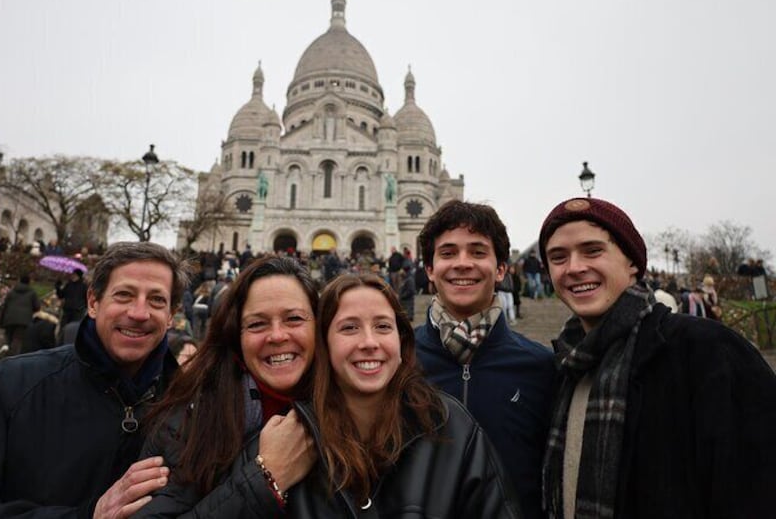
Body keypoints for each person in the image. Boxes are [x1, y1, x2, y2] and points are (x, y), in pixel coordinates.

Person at [537, 197, 776, 518]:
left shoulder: (709, 349)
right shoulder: (567, 366)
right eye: (558, 257)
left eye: (593, 250)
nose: (575, 267)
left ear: (632, 262)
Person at [0, 242, 191, 517]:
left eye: (157, 300)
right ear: (93, 302)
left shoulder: (195, 405)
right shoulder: (11, 384)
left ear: (171, 315)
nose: (139, 313)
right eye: (124, 295)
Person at [270, 273, 521, 517]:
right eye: (349, 327)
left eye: (382, 326)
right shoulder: (286, 437)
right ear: (324, 344)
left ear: (401, 342)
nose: (369, 342)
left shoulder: (452, 425)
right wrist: (267, 478)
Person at [134, 256, 318, 517]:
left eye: (294, 319)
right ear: (235, 334)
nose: (277, 336)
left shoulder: (355, 411)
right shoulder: (189, 419)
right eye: (257, 323)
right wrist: (265, 480)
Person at [414, 199, 555, 519]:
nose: (462, 263)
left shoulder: (541, 366)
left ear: (501, 268)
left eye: (478, 252)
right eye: (448, 253)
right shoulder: (396, 361)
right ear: (430, 270)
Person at [0, 273, 40, 356]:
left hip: (9, 318)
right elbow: (37, 307)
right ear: (29, 282)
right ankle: (13, 356)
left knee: (9, 336)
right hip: (23, 320)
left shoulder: (12, 292)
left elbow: (5, 306)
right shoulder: (32, 293)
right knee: (18, 339)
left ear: (20, 280)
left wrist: (1, 320)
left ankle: (6, 349)